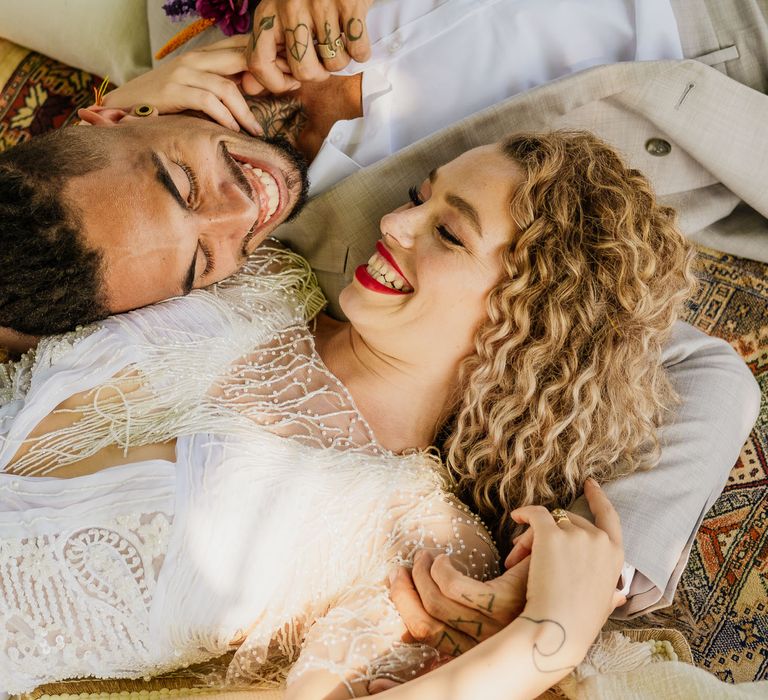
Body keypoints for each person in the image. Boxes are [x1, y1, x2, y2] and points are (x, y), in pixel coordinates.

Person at [0, 0, 760, 625]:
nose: (238, 206)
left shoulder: (182, 33)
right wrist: (587, 571)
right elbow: (699, 369)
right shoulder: (340, 260)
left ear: (113, 117)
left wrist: (149, 81)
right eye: (203, 262)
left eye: (181, 181)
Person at [1, 131, 692, 697]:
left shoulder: (425, 548)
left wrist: (547, 640)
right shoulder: (259, 273)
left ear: (532, 325)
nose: (394, 222)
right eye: (420, 197)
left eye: (447, 233)